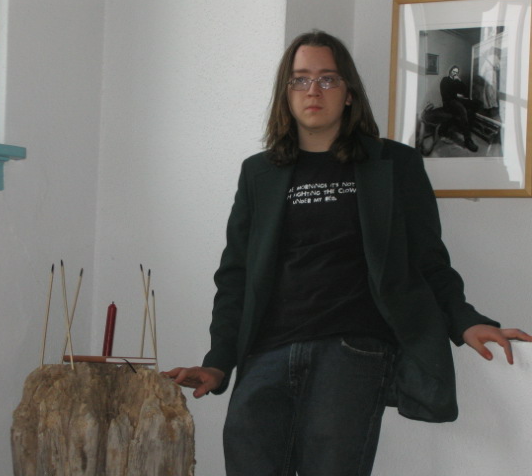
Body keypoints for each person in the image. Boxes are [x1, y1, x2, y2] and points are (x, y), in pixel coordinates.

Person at [164, 30, 531, 476]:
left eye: (328, 79)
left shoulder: (394, 165)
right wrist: (219, 362)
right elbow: (236, 275)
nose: (313, 91)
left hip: (352, 351)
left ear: (349, 93)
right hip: (265, 353)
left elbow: (427, 259)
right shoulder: (259, 172)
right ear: (286, 93)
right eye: (300, 79)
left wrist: (466, 320)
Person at [439, 65, 481, 152]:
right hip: (448, 102)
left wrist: (460, 81)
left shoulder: (456, 81)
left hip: (456, 100)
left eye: (456, 72)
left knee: (476, 103)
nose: (454, 73)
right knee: (462, 110)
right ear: (450, 71)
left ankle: (465, 128)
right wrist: (456, 94)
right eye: (453, 71)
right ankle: (467, 140)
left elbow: (465, 90)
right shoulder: (445, 80)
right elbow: (446, 94)